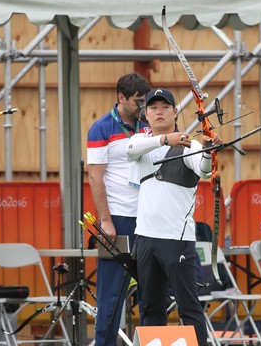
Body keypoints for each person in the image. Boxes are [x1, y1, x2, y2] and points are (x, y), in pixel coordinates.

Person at [126, 87, 220, 344]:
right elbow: (130, 149)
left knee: (189, 307)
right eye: (153, 108)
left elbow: (202, 171)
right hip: (145, 239)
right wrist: (167, 140)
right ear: (146, 114)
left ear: (175, 111)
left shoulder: (192, 144)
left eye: (165, 107)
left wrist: (208, 151)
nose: (159, 112)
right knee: (150, 307)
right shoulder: (142, 142)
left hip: (176, 239)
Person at [86, 72, 149, 345]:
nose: (143, 107)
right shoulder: (101, 128)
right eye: (138, 102)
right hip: (119, 220)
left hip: (149, 219)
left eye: (146, 101)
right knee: (111, 294)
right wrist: (105, 221)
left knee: (151, 291)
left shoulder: (148, 125)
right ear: (121, 98)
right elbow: (95, 177)